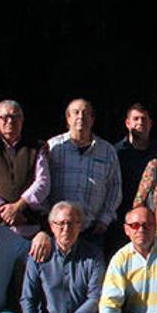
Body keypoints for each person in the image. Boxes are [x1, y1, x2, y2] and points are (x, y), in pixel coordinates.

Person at [20, 201, 104, 313]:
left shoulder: (94, 254)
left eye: (72, 223)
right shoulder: (39, 255)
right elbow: (28, 299)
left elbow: (95, 298)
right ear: (51, 226)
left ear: (80, 226)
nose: (66, 228)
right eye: (61, 223)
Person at [48, 98, 122, 249]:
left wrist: (104, 220)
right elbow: (41, 181)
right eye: (76, 113)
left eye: (86, 113)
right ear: (68, 118)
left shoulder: (107, 151)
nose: (81, 117)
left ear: (93, 119)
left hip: (92, 230)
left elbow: (115, 188)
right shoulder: (54, 147)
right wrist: (46, 217)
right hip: (58, 229)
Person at [0, 100, 50, 238]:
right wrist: (4, 210)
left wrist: (18, 207)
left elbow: (43, 182)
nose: (10, 121)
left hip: (29, 227)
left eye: (15, 117)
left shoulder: (36, 148)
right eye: (4, 117)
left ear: (22, 120)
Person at [113, 103, 157, 250]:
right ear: (127, 123)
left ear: (150, 123)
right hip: (120, 217)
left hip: (150, 219)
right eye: (136, 119)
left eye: (144, 119)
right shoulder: (116, 152)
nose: (140, 122)